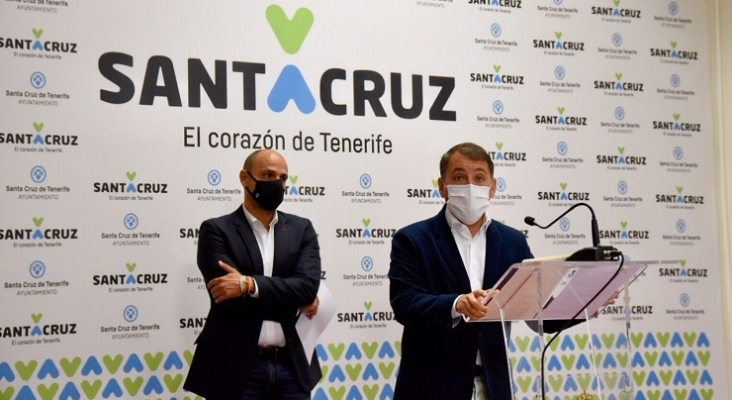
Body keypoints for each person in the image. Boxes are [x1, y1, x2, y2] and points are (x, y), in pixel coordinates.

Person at [388, 142, 533, 400]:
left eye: (479, 177)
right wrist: (457, 304)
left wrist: (587, 301)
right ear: (442, 187)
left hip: (494, 386)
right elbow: (405, 303)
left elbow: (535, 306)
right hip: (431, 387)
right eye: (459, 177)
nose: (470, 186)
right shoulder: (412, 239)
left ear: (493, 187)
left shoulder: (514, 242)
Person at [184, 149, 322, 400]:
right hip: (234, 367)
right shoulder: (216, 230)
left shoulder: (302, 229)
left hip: (292, 366)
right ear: (244, 178)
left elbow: (307, 289)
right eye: (268, 174)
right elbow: (229, 301)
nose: (277, 183)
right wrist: (293, 305)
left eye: (282, 178)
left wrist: (248, 285)